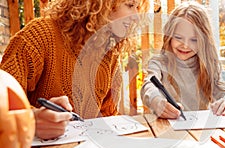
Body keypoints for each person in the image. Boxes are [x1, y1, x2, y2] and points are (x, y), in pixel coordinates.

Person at [0, 0, 149, 139]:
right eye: (130, 5)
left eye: (138, 7)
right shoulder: (40, 36)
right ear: (101, 4)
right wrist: (32, 119)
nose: (136, 16)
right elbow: (3, 100)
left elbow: (107, 117)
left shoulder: (108, 54)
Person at [141, 1, 225, 119]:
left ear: (204, 41)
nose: (185, 45)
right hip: (166, 129)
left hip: (200, 130)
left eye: (194, 40)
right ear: (169, 36)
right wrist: (157, 101)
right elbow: (148, 86)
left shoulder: (209, 65)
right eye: (178, 37)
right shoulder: (159, 63)